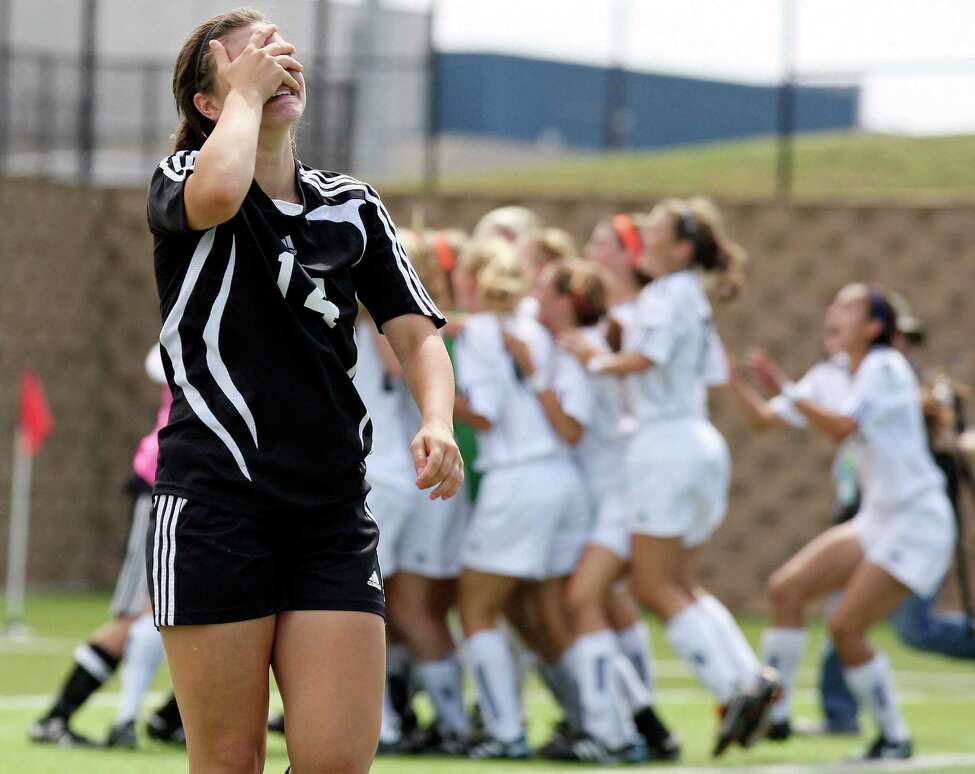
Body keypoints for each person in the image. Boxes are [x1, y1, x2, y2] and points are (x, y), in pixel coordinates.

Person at [147, 11, 460, 774]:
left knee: (335, 763)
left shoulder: (352, 204)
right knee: (229, 761)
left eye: (282, 52)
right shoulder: (183, 180)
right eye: (251, 59)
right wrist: (247, 102)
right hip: (216, 504)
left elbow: (416, 333)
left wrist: (437, 420)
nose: (277, 64)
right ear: (207, 103)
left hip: (328, 511)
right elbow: (222, 192)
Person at [574, 198, 778, 757]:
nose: (645, 239)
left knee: (653, 586)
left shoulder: (672, 293)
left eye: (656, 233)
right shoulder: (685, 296)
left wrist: (590, 357)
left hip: (665, 444)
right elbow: (709, 370)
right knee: (681, 582)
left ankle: (731, 689)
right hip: (694, 439)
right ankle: (750, 679)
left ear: (683, 247)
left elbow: (646, 359)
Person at [754, 284, 956, 761]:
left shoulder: (886, 368)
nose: (833, 311)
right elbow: (764, 419)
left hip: (916, 520)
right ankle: (774, 715)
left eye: (848, 306)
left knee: (850, 626)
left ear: (873, 326)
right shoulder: (833, 373)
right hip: (879, 517)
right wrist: (722, 379)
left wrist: (783, 387)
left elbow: (844, 426)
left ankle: (893, 737)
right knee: (786, 589)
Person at [539, 259, 678, 763]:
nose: (536, 303)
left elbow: (574, 428)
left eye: (544, 293)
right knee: (596, 602)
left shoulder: (581, 345)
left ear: (566, 301)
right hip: (606, 498)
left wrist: (537, 382)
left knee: (581, 599)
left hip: (618, 499)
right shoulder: (592, 337)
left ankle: (610, 733)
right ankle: (641, 722)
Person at [454, 250, 591, 760]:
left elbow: (485, 416)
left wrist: (433, 392)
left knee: (475, 607)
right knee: (545, 614)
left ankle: (505, 733)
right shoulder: (534, 321)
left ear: (474, 280)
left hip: (516, 478)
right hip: (559, 476)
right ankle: (600, 722)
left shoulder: (480, 334)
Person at [29, 348, 180, 749]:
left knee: (221, 607)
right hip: (163, 482)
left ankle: (170, 720)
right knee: (137, 612)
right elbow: (156, 359)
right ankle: (56, 717)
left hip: (201, 486)